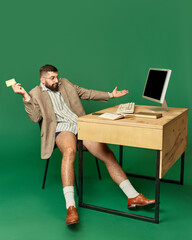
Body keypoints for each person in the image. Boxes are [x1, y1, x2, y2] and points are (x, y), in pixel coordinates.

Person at [12, 64, 155, 225]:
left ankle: (133, 196)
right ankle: (70, 207)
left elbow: (85, 92)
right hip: (61, 128)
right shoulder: (34, 93)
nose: (56, 80)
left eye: (57, 76)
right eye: (52, 78)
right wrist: (25, 96)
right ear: (42, 79)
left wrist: (111, 95)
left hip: (80, 124)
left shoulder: (65, 83)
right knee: (70, 152)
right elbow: (35, 117)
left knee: (107, 153)